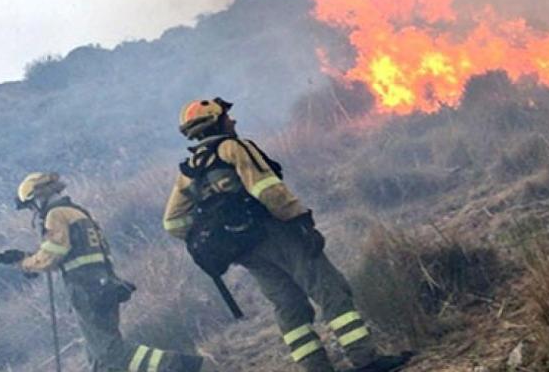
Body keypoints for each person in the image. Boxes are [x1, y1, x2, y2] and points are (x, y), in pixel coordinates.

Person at [163, 98, 411, 372]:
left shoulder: (189, 170)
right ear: (216, 122)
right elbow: (269, 190)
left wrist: (220, 232)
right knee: (329, 289)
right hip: (277, 233)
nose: (232, 121)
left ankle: (316, 368)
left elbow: (173, 223)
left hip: (247, 251)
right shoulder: (232, 148)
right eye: (226, 117)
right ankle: (366, 360)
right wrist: (300, 221)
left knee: (288, 306)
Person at [0, 172, 213, 372]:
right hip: (103, 285)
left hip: (86, 290)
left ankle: (181, 365)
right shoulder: (77, 212)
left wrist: (25, 263)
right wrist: (29, 256)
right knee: (98, 359)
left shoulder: (56, 214)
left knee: (110, 352)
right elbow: (71, 252)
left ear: (38, 198)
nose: (33, 212)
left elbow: (53, 253)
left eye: (31, 206)